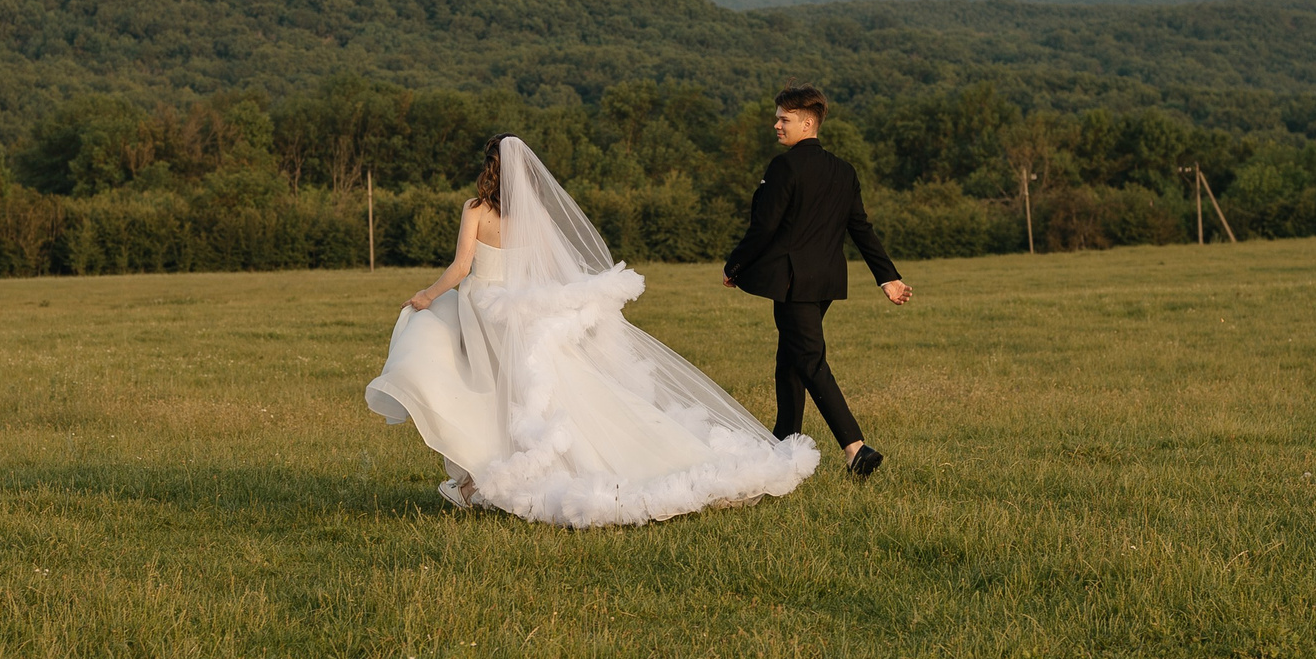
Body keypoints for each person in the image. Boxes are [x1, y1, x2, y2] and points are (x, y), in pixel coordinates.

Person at [365, 136, 818, 528]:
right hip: (521, 312)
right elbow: (545, 271)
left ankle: (476, 481)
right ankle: (478, 481)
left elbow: (463, 267)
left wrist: (426, 295)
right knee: (530, 395)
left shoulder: (476, 209)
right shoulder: (534, 215)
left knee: (488, 392)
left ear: (488, 167)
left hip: (483, 309)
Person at [722, 86, 910, 478]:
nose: (776, 125)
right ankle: (784, 445)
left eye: (784, 119)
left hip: (793, 283)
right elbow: (861, 229)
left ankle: (856, 449)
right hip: (824, 282)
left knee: (808, 359)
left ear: (808, 123)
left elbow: (764, 227)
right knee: (789, 360)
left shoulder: (784, 167)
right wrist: (887, 278)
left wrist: (734, 265)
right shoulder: (844, 171)